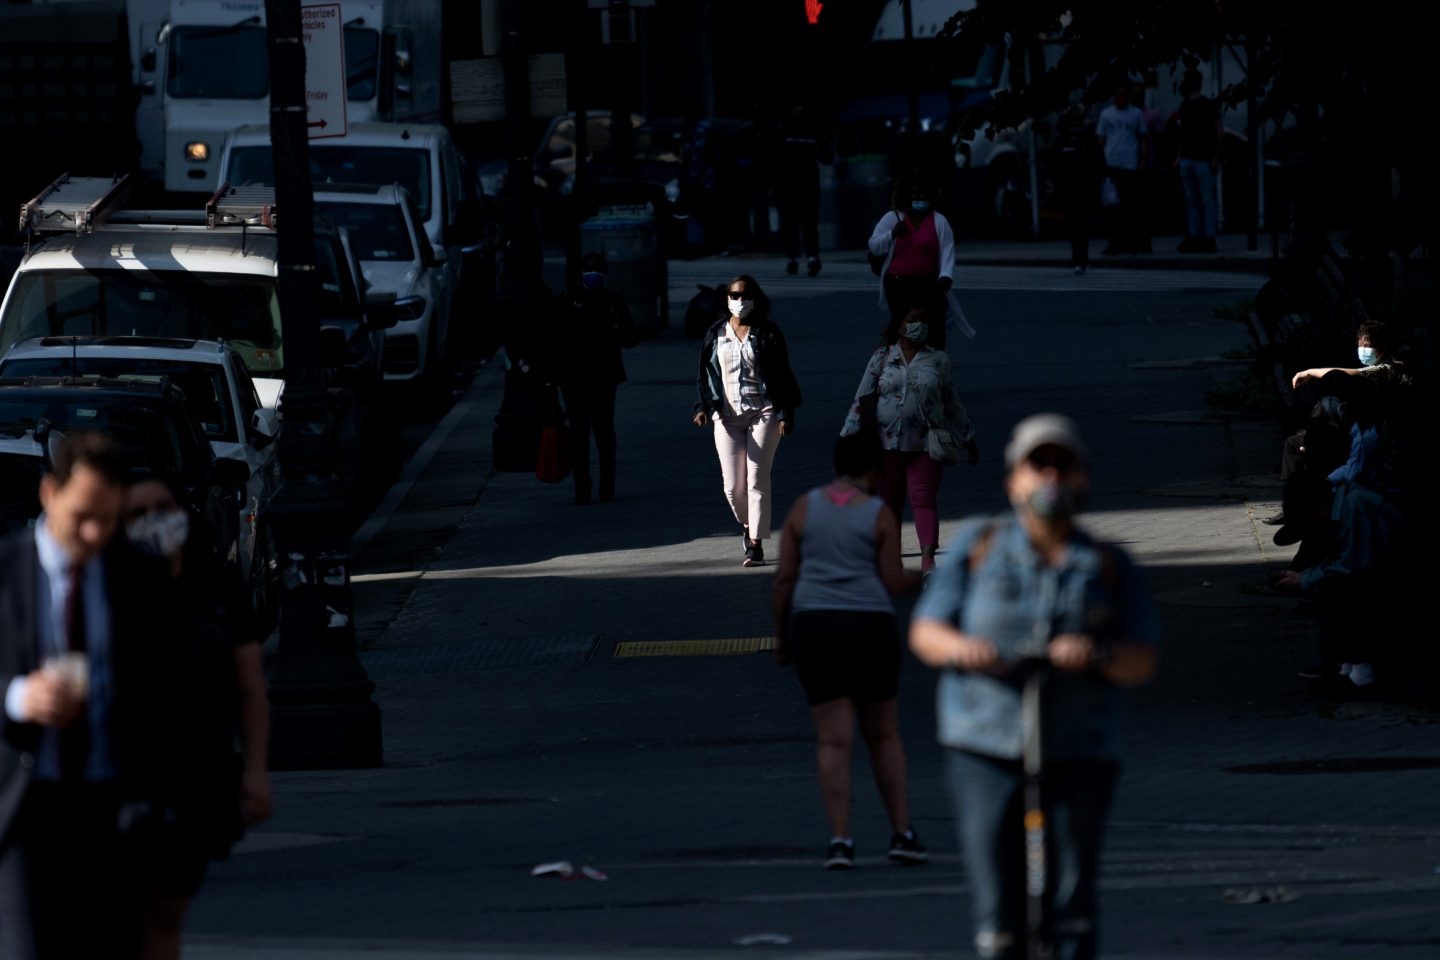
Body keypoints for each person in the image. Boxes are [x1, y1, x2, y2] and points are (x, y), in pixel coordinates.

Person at [909, 414, 1159, 960]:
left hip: (1079, 747)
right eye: (1037, 465)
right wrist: (964, 650)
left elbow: (1141, 659)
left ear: (1082, 479)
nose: (1050, 477)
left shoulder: (1108, 564)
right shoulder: (979, 545)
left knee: (1072, 904)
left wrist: (1095, 654)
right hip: (985, 743)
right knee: (999, 909)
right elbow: (926, 631)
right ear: (1012, 482)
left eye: (1062, 465)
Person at [0, 431, 170, 958]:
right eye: (82, 516)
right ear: (49, 494)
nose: (95, 533)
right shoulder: (5, 573)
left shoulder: (137, 574)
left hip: (112, 805)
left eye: (109, 519)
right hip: (24, 807)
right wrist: (17, 697)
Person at [122, 478, 270, 960]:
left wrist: (255, 771)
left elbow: (249, 689)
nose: (153, 521)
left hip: (195, 775)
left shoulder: (215, 589)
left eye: (162, 507)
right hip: (119, 776)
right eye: (138, 512)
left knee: (168, 906)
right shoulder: (105, 588)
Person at [772, 432, 927, 870]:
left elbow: (784, 580)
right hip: (869, 627)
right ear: (874, 471)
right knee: (883, 734)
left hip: (815, 627)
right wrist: (928, 580)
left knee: (833, 739)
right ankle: (901, 833)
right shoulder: (878, 513)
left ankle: (840, 840)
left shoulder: (804, 507)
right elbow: (893, 581)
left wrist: (782, 635)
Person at [840, 308, 978, 573]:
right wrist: (847, 438)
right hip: (886, 445)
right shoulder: (882, 357)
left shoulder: (938, 360)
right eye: (912, 320)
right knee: (889, 503)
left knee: (923, 500)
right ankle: (891, 560)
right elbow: (862, 399)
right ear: (900, 327)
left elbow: (951, 401)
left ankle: (928, 561)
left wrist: (968, 436)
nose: (919, 326)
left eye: (923, 321)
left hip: (925, 444)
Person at [693, 274, 803, 567]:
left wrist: (785, 412)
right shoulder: (715, 333)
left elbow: (782, 373)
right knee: (732, 487)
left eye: (745, 295)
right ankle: (748, 523)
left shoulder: (767, 333)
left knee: (756, 479)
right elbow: (706, 374)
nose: (739, 302)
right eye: (734, 295)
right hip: (726, 417)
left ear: (756, 299)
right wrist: (702, 407)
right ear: (726, 298)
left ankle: (755, 544)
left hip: (763, 412)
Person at [554, 252, 638, 504]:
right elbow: (630, 338)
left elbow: (553, 340)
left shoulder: (567, 300)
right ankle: (606, 487)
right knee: (603, 431)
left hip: (574, 377)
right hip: (603, 375)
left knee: (580, 433)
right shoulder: (612, 301)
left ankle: (582, 489)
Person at [868, 177, 956, 348]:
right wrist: (892, 234)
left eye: (924, 196)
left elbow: (947, 250)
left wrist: (946, 275)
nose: (919, 200)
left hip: (929, 284)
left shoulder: (939, 221)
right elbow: (874, 246)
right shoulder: (893, 218)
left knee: (934, 327)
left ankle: (933, 365)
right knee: (904, 326)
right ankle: (896, 363)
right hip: (899, 284)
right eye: (915, 195)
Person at [774, 104, 830, 278]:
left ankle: (801, 257)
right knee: (803, 223)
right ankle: (803, 257)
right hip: (799, 184)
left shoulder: (786, 132)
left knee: (800, 223)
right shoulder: (797, 132)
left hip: (798, 185)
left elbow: (826, 157)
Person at [1171, 69, 1223, 254]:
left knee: (1204, 199)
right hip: (1189, 158)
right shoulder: (1186, 106)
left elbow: (1218, 131)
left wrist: (1215, 156)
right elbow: (1183, 134)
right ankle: (1196, 236)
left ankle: (1207, 236)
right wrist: (1179, 156)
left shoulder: (1207, 105)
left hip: (1201, 158)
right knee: (1194, 199)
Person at [1095, 84, 1150, 255]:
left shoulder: (1136, 114)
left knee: (1131, 205)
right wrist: (1100, 160)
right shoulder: (1106, 114)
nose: (1123, 98)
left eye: (1126, 95)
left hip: (1129, 164)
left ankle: (1132, 241)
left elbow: (1142, 138)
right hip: (1111, 163)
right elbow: (1101, 138)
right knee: (1112, 206)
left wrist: (1143, 159)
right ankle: (1115, 241)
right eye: (1120, 94)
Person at [1052, 105, 1101, 275]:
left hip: (1083, 187)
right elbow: (1056, 166)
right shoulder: (1062, 139)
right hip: (1070, 188)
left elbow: (1097, 161)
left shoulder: (1087, 137)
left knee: (1081, 225)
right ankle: (1078, 259)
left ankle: (1083, 258)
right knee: (1074, 226)